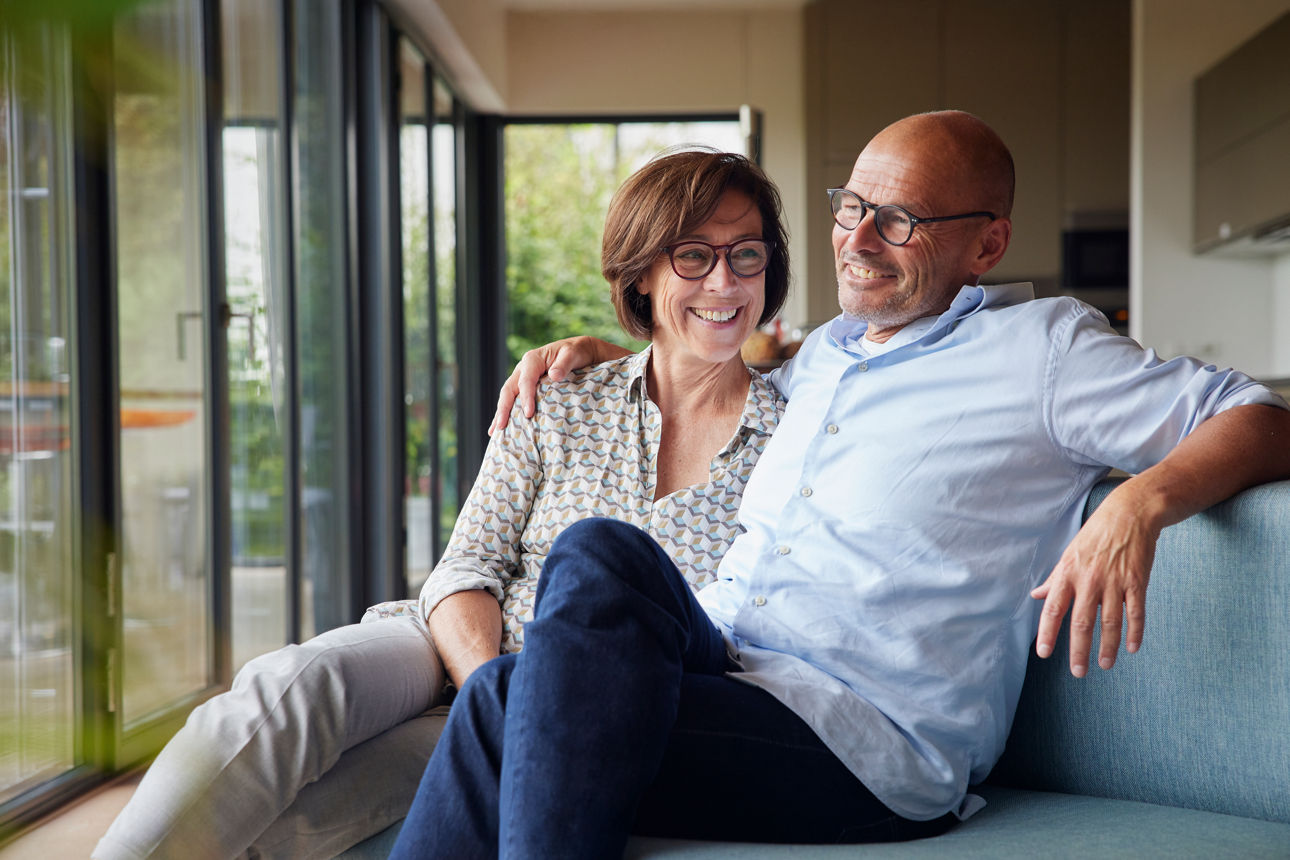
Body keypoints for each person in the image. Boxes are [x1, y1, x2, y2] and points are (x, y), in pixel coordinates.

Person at [389, 110, 1290, 858]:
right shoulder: (828, 353)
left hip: (861, 744)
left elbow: (1263, 417)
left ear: (987, 242)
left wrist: (1140, 502)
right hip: (735, 666)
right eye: (852, 205)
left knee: (514, 691)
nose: (858, 239)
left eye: (899, 221)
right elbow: (705, 359)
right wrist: (614, 351)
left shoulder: (1046, 352)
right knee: (585, 571)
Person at [92, 148, 790, 860]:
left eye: (746, 254)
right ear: (641, 271)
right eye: (694, 255)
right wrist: (487, 689)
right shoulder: (560, 399)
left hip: (574, 714)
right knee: (290, 688)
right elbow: (465, 568)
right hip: (444, 647)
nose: (724, 281)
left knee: (298, 820)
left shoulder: (799, 441)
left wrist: (511, 715)